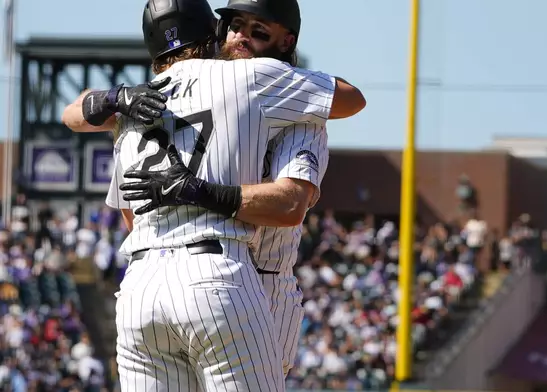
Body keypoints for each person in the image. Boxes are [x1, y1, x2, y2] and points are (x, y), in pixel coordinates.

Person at [61, 1, 364, 391]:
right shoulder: (245, 81)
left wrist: (111, 100)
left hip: (149, 282)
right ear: (213, 32)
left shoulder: (135, 104)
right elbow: (351, 99)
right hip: (221, 274)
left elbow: (290, 203)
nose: (240, 36)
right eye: (235, 25)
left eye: (257, 30)